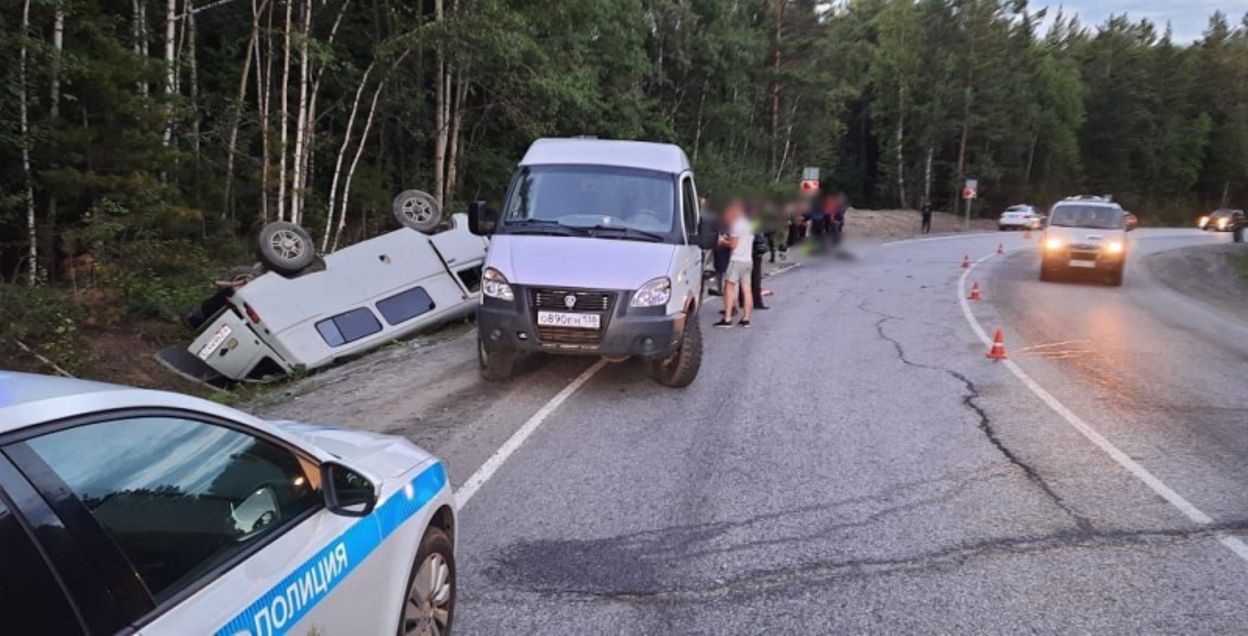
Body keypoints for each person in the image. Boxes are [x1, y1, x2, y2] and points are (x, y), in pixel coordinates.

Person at [715, 201, 753, 329]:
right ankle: (746, 318)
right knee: (746, 289)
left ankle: (727, 319)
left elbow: (733, 245)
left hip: (737, 260)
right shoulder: (749, 224)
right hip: (748, 260)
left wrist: (721, 241)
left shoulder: (737, 225)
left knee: (728, 288)